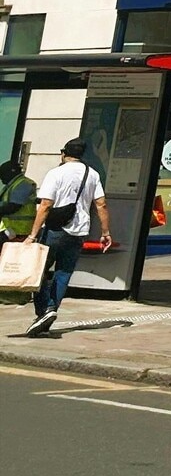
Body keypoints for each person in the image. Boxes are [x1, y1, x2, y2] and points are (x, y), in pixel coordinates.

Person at [26, 138, 111, 336]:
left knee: (40, 271)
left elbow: (46, 205)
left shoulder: (56, 173)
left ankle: (45, 311)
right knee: (63, 272)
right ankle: (51, 309)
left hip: (56, 229)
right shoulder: (92, 174)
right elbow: (101, 204)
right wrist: (105, 232)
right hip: (79, 231)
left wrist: (32, 234)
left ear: (64, 153)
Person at [0, 156, 38, 241]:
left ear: (11, 172)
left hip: (18, 230)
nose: (1, 177)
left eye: (2, 173)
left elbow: (13, 206)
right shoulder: (11, 185)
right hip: (10, 229)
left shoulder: (23, 184)